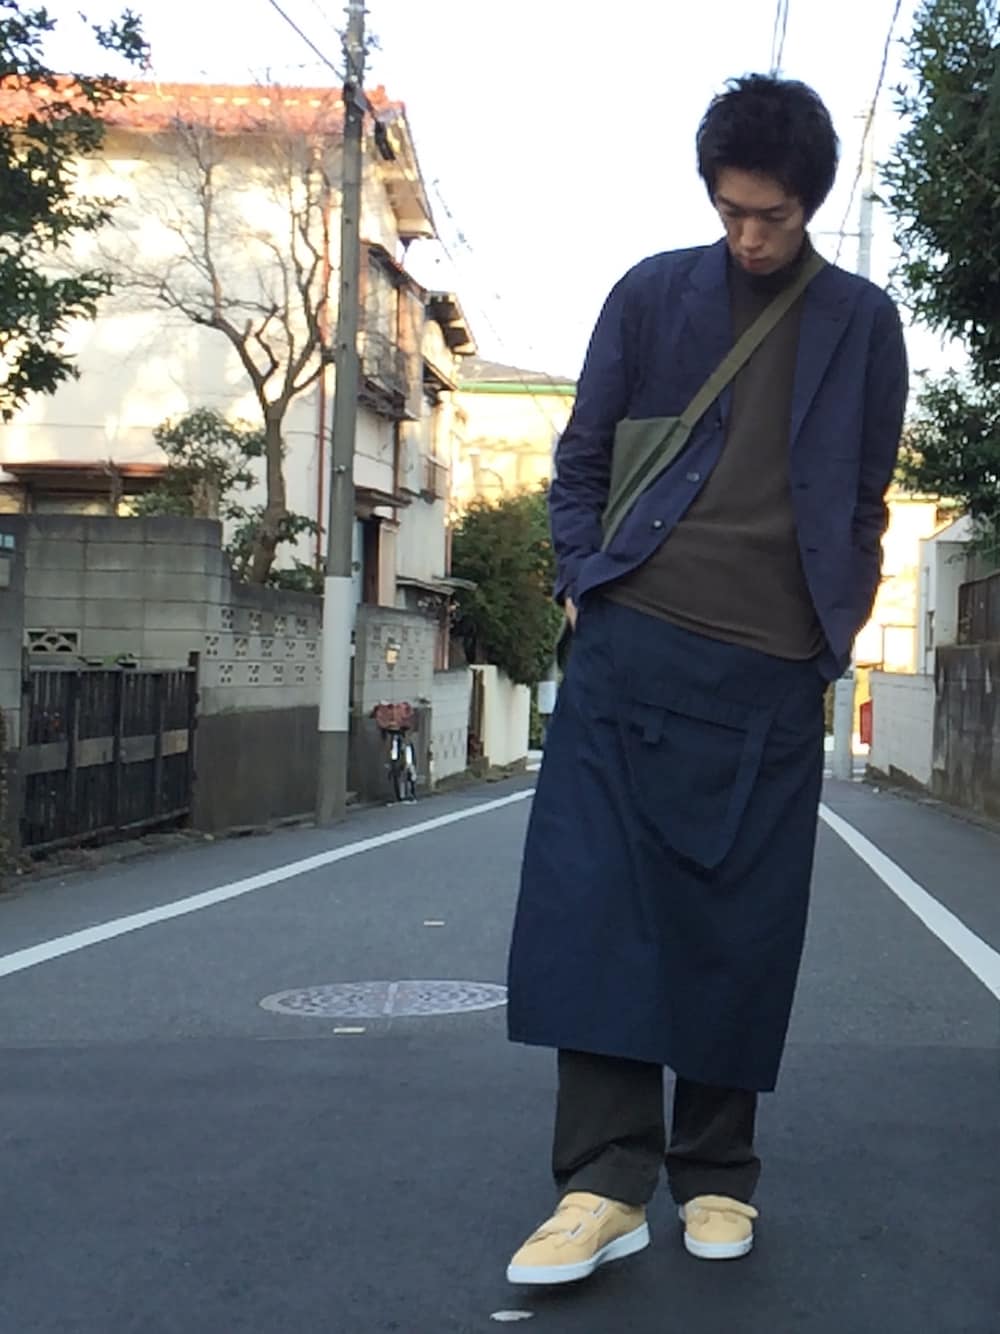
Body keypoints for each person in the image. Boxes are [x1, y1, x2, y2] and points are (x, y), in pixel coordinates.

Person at [505, 73, 908, 1285]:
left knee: (740, 921)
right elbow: (580, 457)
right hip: (630, 645)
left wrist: (829, 628)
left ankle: (718, 1170)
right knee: (599, 913)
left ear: (809, 203)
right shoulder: (651, 294)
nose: (747, 235)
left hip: (769, 668)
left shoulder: (862, 322)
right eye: (730, 210)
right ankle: (600, 1182)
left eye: (769, 215)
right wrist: (581, 580)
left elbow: (862, 495)